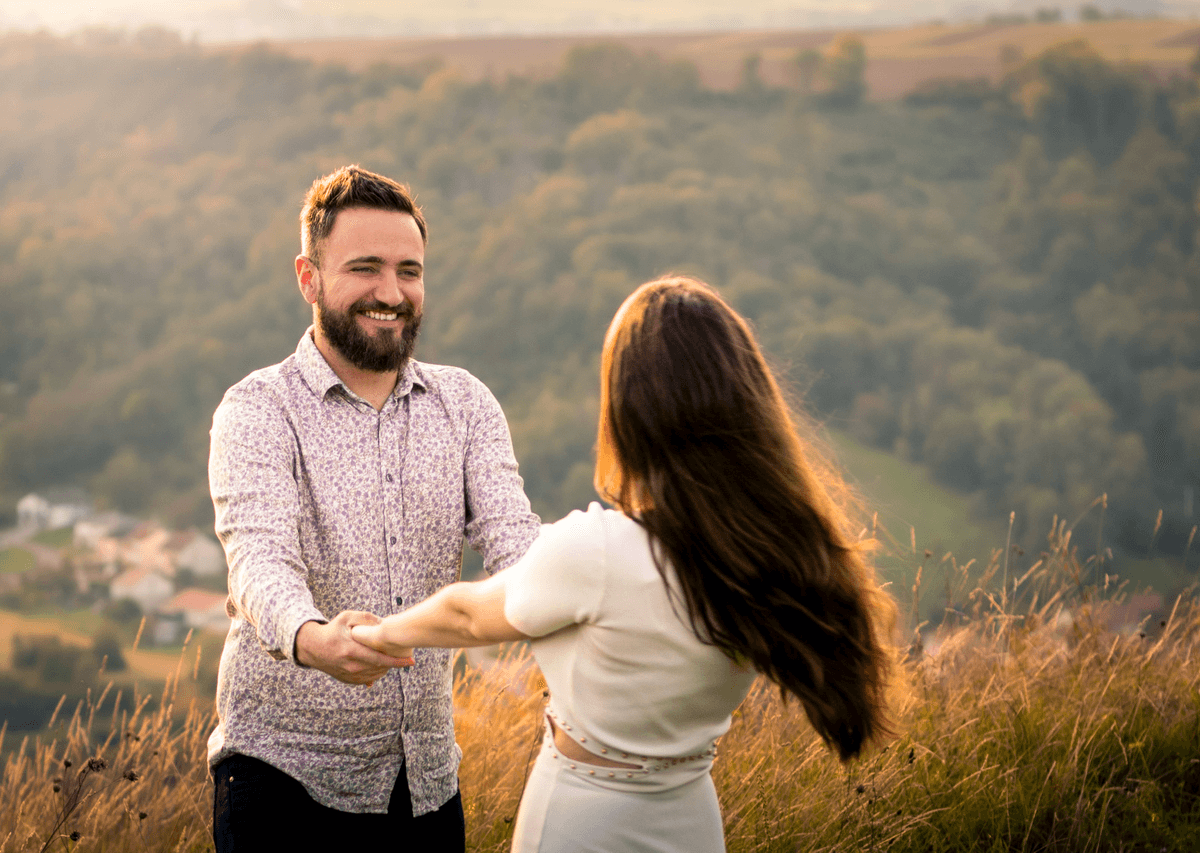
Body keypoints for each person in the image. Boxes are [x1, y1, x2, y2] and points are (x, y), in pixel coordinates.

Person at [353, 275, 897, 852]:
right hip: (692, 813)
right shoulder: (766, 553)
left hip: (583, 821)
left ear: (632, 408)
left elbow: (467, 616)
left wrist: (376, 632)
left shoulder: (600, 551)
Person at [206, 165, 540, 851]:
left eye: (409, 271)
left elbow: (517, 544)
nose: (391, 293)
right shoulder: (258, 409)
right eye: (365, 268)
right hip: (282, 783)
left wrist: (605, 578)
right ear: (309, 277)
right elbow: (258, 561)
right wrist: (311, 636)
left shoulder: (466, 404)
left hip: (425, 785)